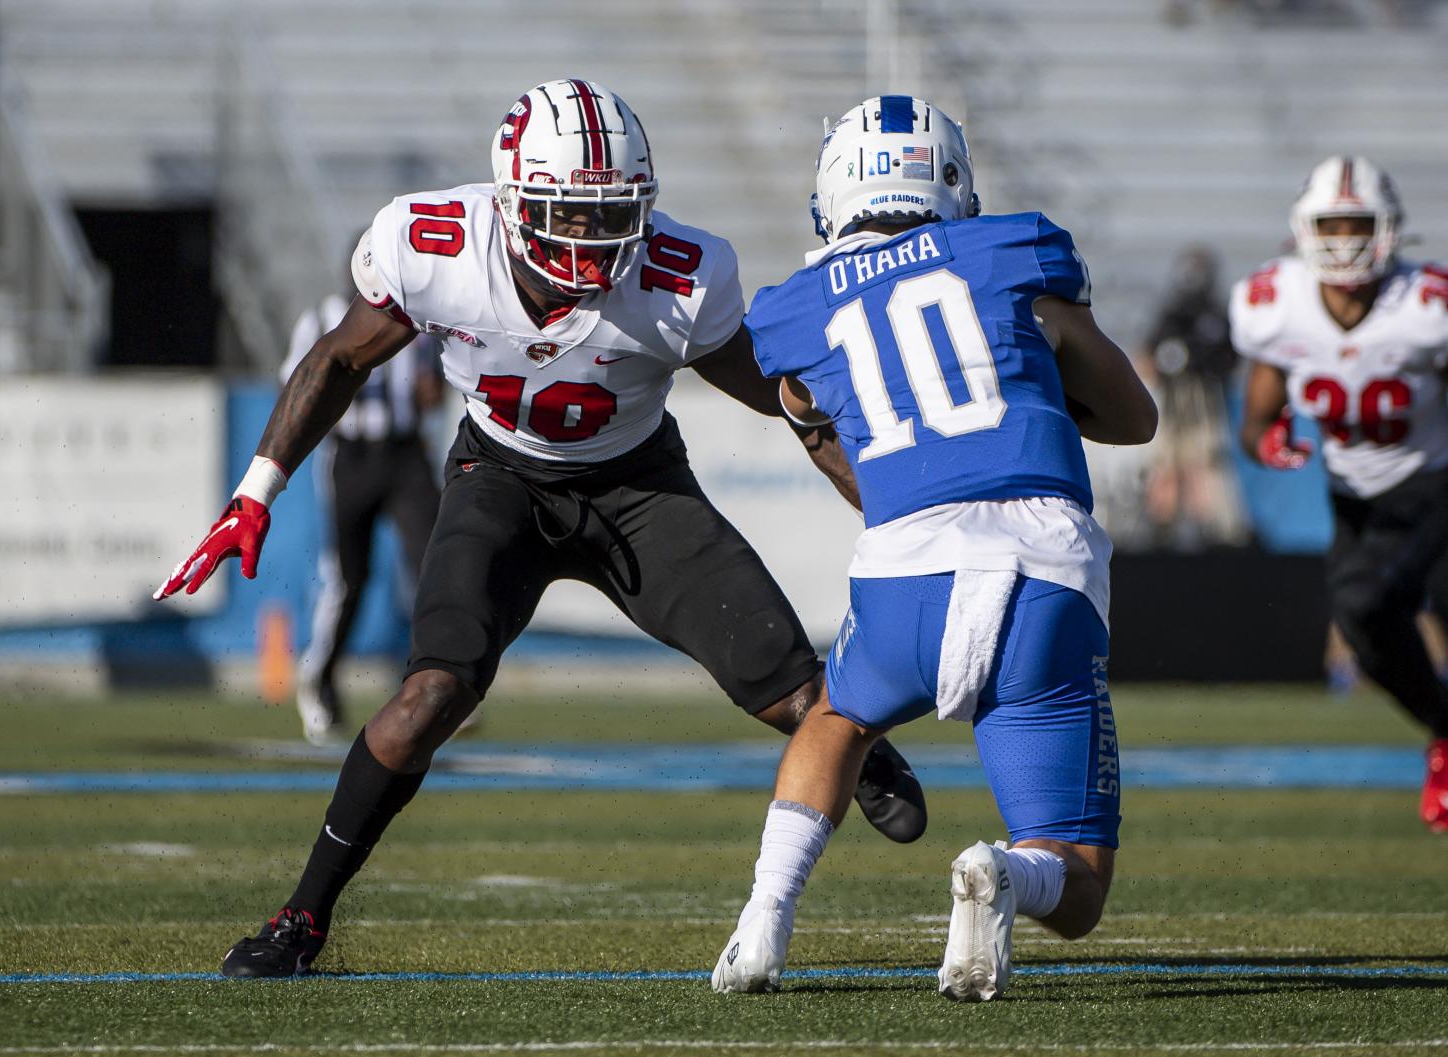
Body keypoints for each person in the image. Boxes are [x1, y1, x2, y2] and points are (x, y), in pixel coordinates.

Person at [153, 79, 928, 977]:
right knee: (423, 703)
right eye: (574, 216)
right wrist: (257, 489)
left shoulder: (683, 273)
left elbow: (791, 401)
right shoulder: (434, 245)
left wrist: (893, 497)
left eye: (616, 216)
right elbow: (335, 359)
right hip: (500, 480)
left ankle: (862, 751)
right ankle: (301, 919)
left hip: (638, 487)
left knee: (798, 698)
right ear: (514, 201)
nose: (600, 242)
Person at [708, 95, 1156, 1000]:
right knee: (1075, 883)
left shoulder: (791, 310)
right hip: (1043, 568)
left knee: (837, 719)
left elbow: (808, 414)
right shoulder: (1015, 251)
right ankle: (1002, 869)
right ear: (951, 181)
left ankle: (762, 918)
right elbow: (1133, 416)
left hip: (907, 564)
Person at [1232, 155, 1448, 833]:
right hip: (1355, 496)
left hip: (1436, 479)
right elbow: (1254, 423)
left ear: (1387, 228)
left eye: (1356, 223)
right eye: (1331, 223)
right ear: (1304, 228)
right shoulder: (1275, 305)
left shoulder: (1425, 305)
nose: (1345, 239)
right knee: (1361, 620)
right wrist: (1267, 442)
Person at [283, 284, 445, 744]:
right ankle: (320, 680)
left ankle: (442, 683)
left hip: (406, 453)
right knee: (348, 578)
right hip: (350, 455)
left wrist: (428, 388)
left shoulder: (421, 318)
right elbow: (295, 382)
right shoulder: (321, 317)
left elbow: (432, 391)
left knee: (437, 563)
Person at [1140, 244, 1249, 549]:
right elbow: (1149, 357)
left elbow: (1231, 359)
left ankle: (1214, 528)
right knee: (1166, 464)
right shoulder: (1170, 314)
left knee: (1206, 463)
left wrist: (1200, 361)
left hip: (1205, 402)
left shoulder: (1215, 316)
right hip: (1173, 404)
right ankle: (1160, 527)